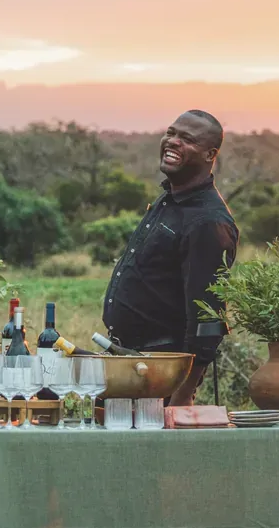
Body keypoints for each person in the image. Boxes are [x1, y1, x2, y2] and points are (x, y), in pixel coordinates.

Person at [100, 109, 239, 406]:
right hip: (131, 364)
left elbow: (207, 319)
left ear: (210, 154)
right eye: (171, 133)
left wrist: (181, 396)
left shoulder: (207, 221)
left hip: (164, 373)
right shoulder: (170, 199)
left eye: (187, 139)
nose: (173, 141)